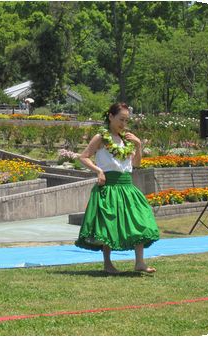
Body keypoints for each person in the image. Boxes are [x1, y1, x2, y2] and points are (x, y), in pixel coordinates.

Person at [75, 102, 159, 274]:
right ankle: (108, 264)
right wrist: (98, 170)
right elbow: (83, 157)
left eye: (126, 120)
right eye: (121, 119)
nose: (123, 124)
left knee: (140, 220)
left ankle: (140, 263)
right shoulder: (100, 138)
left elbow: (136, 164)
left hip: (127, 186)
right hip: (109, 186)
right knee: (108, 224)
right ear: (111, 117)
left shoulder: (126, 140)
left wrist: (138, 145)